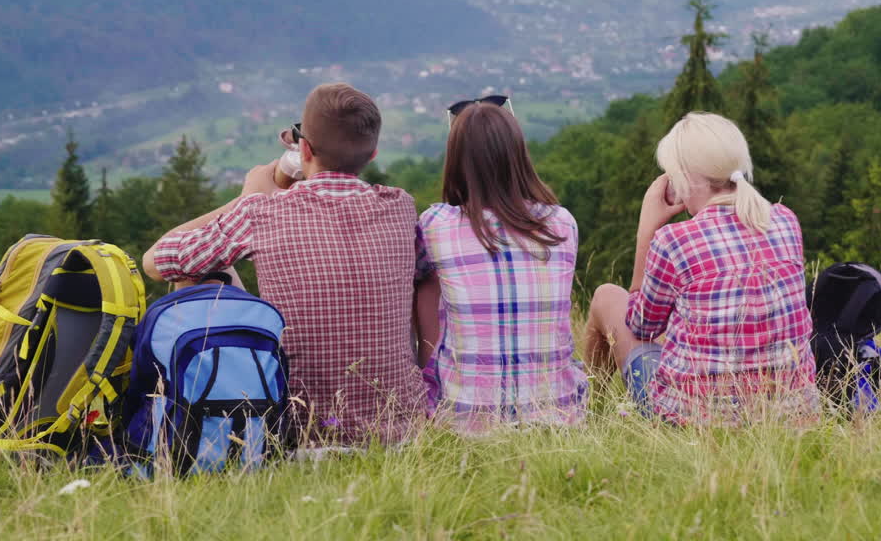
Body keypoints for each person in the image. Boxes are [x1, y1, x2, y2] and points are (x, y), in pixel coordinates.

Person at [142, 83, 426, 446]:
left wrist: (246, 198)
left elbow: (156, 261)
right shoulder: (400, 207)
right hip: (398, 429)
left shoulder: (261, 211)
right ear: (372, 155)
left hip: (296, 433)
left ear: (303, 147)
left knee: (202, 271)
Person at [584, 112, 819, 425]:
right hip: (791, 413)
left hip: (696, 418)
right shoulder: (785, 220)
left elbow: (642, 327)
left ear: (681, 179)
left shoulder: (675, 240)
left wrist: (647, 230)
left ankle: (589, 413)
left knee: (606, 296)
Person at [414, 98, 587, 434]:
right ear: (518, 156)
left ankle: (430, 381)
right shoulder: (562, 223)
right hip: (559, 419)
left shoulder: (435, 224)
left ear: (457, 161)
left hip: (461, 421)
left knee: (425, 279)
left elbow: (415, 280)